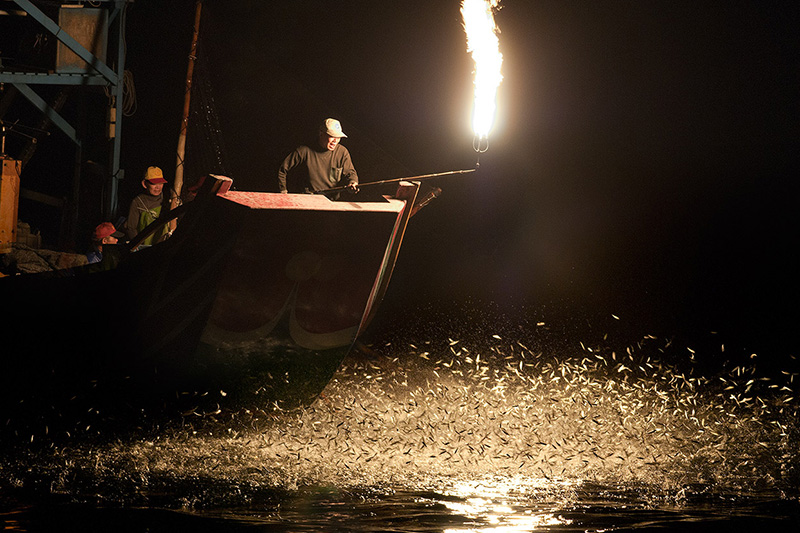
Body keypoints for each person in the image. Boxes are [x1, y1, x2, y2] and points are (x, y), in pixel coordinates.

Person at [277, 118, 359, 194]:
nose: (335, 141)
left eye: (338, 137)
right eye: (332, 136)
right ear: (321, 133)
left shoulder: (342, 152)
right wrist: (283, 191)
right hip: (308, 200)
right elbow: (282, 169)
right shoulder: (304, 151)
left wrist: (353, 182)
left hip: (331, 201)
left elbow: (350, 173)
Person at [125, 166, 170, 245]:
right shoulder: (138, 202)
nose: (158, 187)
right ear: (144, 184)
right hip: (146, 247)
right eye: (154, 183)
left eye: (160, 183)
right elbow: (131, 228)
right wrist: (139, 246)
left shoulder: (168, 198)